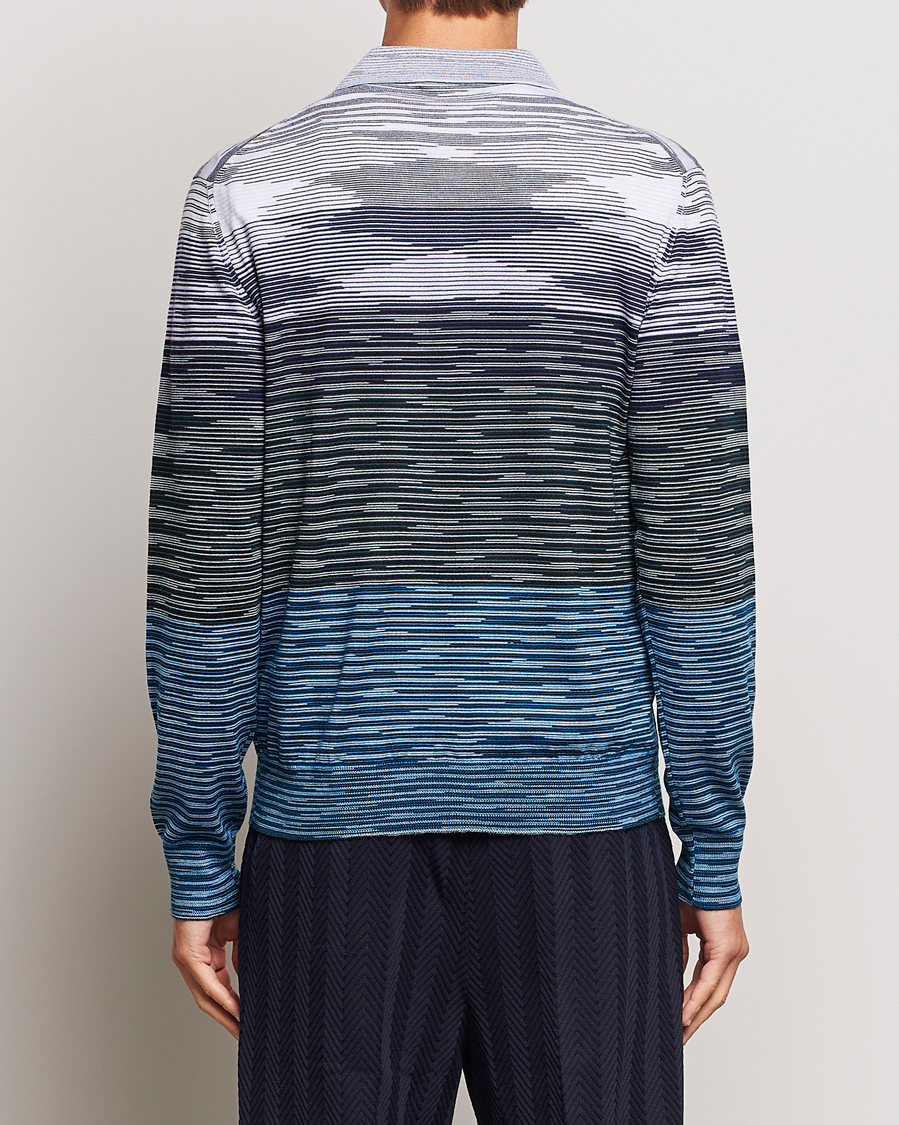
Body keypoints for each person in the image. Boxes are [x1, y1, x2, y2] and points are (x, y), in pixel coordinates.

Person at [146, 0, 754, 1121]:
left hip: (332, 827)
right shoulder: (646, 190)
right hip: (582, 823)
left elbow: (205, 560)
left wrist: (198, 851)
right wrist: (709, 849)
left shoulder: (249, 191)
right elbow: (697, 551)